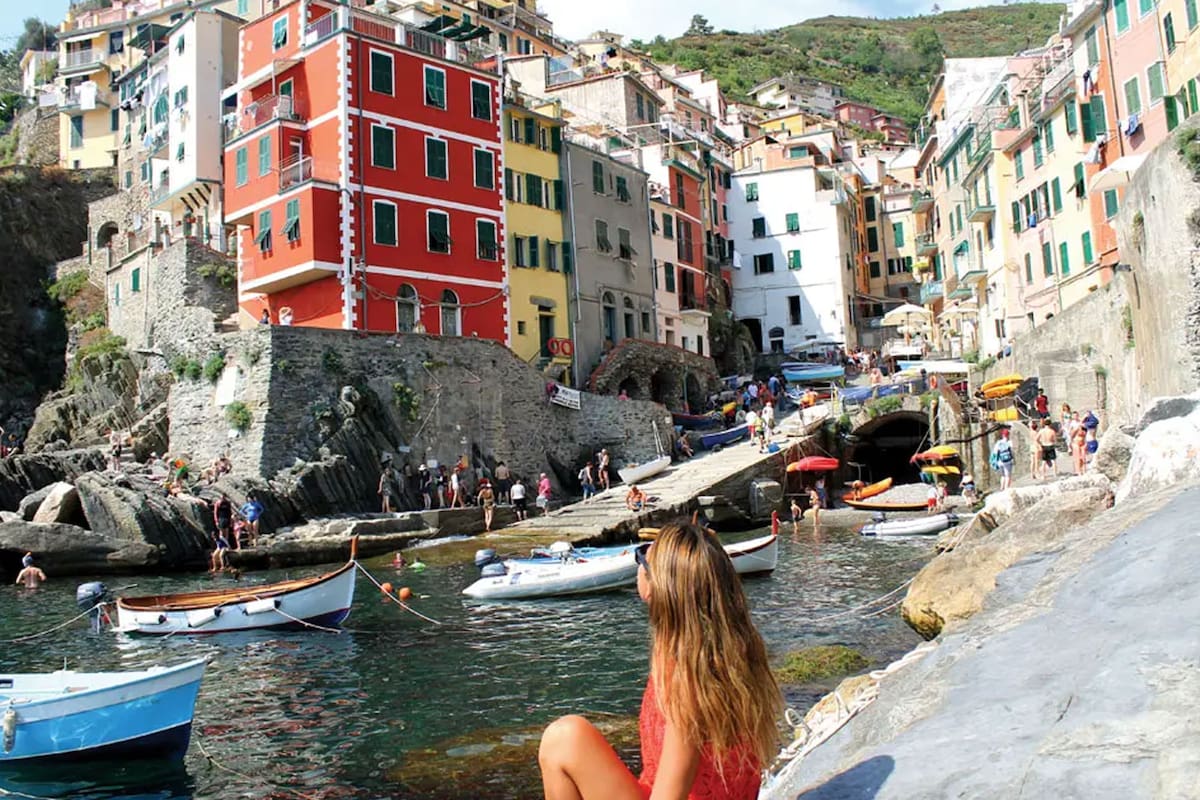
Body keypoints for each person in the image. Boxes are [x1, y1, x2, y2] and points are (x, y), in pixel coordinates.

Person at [538, 523, 781, 800]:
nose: (638, 564)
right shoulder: (730, 653)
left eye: (642, 558)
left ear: (658, 588)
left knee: (564, 739)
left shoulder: (687, 682)